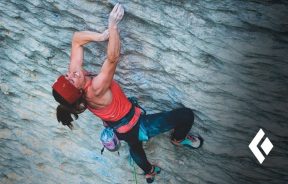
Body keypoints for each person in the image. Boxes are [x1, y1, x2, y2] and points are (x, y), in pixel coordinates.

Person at [51, 3, 202, 183]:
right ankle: (178, 139)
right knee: (186, 116)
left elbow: (76, 39)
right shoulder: (96, 88)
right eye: (71, 79)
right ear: (78, 90)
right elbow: (113, 58)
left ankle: (149, 171)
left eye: (67, 75)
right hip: (136, 125)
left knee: (135, 147)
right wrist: (112, 27)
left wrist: (101, 36)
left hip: (117, 128)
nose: (72, 73)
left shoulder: (76, 85)